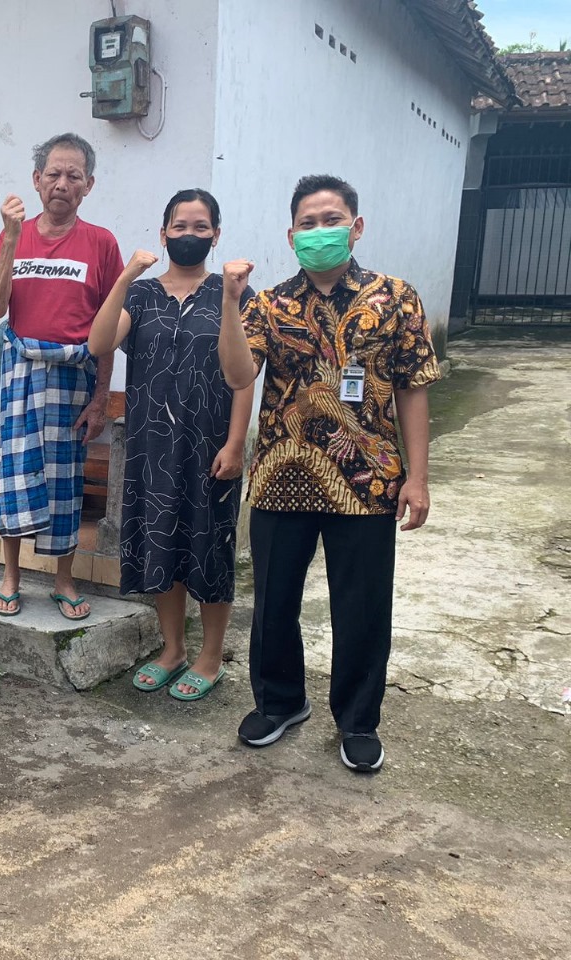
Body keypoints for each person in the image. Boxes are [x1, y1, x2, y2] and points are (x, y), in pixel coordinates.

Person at [218, 174, 441, 772]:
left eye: (332, 219)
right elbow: (239, 375)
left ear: (356, 227)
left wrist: (417, 477)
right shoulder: (268, 304)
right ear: (291, 236)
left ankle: (358, 720)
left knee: (362, 607)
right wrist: (230, 304)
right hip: (281, 474)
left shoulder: (395, 298)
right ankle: (281, 702)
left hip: (368, 480)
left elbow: (413, 388)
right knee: (273, 602)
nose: (321, 231)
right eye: (308, 223)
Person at [88, 189, 255, 700]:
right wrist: (124, 277)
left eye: (200, 227)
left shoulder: (235, 293)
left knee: (210, 547)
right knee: (162, 543)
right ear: (163, 234)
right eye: (180, 227)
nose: (189, 235)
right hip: (152, 445)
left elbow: (244, 378)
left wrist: (236, 443)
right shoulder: (140, 295)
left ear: (216, 235)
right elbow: (98, 343)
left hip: (211, 444)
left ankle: (210, 657)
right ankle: (173, 649)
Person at [0, 133, 123, 620]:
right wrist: (10, 240)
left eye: (73, 176)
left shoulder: (101, 243)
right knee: (15, 475)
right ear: (37, 180)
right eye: (54, 174)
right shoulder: (13, 236)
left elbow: (109, 329)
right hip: (21, 375)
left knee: (66, 481)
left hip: (74, 379)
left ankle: (64, 579)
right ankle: (11, 576)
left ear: (89, 185)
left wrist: (101, 398)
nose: (62, 183)